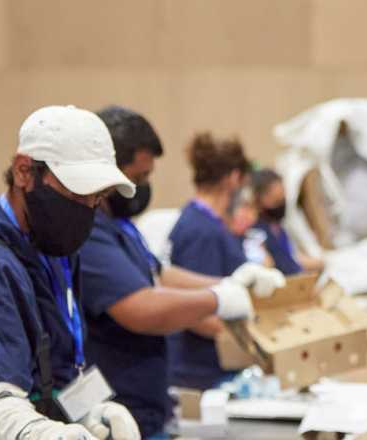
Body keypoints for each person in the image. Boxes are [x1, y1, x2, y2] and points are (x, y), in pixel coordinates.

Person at [0, 105, 142, 440]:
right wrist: (40, 434)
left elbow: (61, 366)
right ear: (24, 172)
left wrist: (93, 410)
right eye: (76, 192)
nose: (87, 208)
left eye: (97, 197)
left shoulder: (53, 247)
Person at [78, 106, 285, 438]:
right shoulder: (91, 232)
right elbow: (140, 307)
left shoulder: (120, 226)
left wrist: (231, 284)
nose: (140, 189)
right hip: (124, 402)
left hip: (148, 400)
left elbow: (157, 272)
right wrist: (219, 300)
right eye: (138, 178)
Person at [167, 132, 255, 390]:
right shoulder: (201, 231)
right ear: (233, 178)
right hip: (202, 371)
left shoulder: (208, 223)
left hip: (212, 365)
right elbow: (194, 312)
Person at [249, 168, 325, 275]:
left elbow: (292, 257)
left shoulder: (278, 227)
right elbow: (266, 263)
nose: (281, 203)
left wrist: (323, 263)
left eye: (282, 198)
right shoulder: (257, 231)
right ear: (260, 199)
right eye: (276, 200)